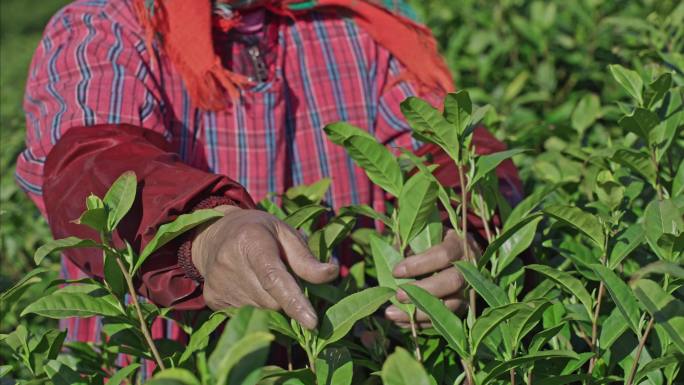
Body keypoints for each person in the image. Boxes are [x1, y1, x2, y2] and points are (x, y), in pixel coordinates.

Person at [17, 0, 522, 349]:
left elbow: (451, 149)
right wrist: (204, 238)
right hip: (158, 361)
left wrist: (471, 235)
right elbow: (91, 164)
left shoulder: (360, 25)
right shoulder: (105, 26)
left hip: (343, 358)